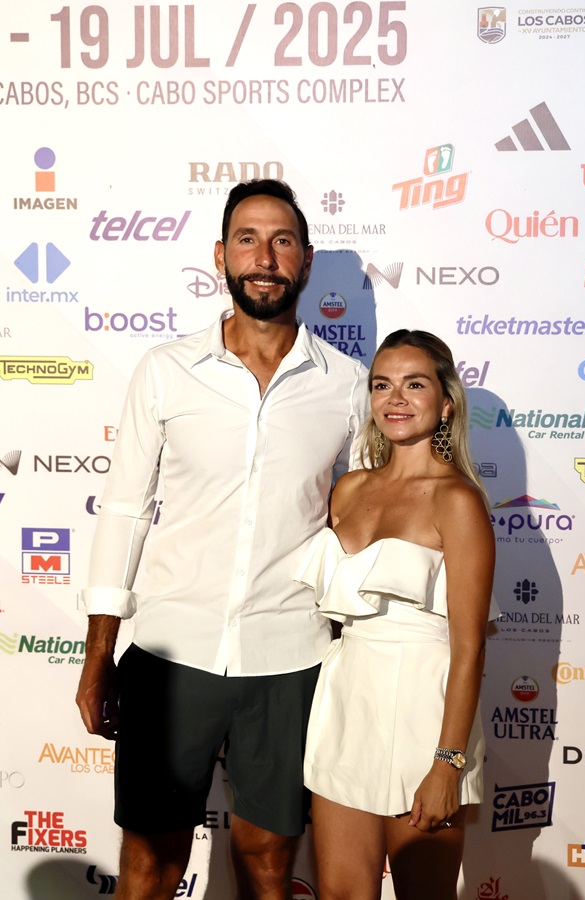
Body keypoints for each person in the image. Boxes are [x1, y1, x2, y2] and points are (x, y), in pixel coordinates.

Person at [75, 179, 368, 900]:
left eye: (282, 241)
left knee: (268, 861)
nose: (264, 257)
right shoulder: (165, 370)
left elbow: (363, 526)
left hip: (292, 658)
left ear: (305, 260)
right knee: (151, 861)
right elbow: (124, 511)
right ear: (220, 256)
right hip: (172, 654)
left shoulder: (348, 384)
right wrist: (98, 654)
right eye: (247, 240)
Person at [296, 329, 498, 900]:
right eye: (382, 385)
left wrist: (447, 764)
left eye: (415, 384)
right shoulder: (348, 489)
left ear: (446, 402)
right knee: (340, 893)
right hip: (347, 702)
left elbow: (470, 648)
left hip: (424, 713)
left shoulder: (458, 501)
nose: (396, 399)